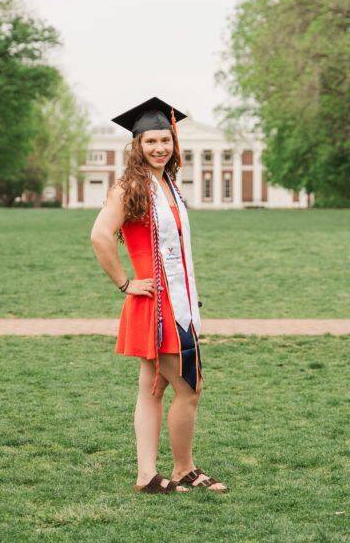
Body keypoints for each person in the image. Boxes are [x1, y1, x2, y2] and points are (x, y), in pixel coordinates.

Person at [90, 97, 227, 495]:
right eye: (150, 141)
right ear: (137, 145)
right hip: (158, 304)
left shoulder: (167, 182)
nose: (159, 148)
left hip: (179, 298)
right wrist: (125, 283)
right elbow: (100, 235)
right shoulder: (131, 186)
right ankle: (183, 468)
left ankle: (147, 475)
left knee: (154, 386)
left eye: (165, 140)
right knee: (190, 387)